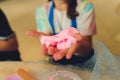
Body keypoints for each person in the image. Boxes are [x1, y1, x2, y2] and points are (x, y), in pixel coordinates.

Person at [26, 0, 96, 65]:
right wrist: (47, 43)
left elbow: (86, 47)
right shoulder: (42, 11)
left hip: (82, 59)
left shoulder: (85, 7)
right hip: (58, 59)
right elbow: (49, 49)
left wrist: (79, 46)